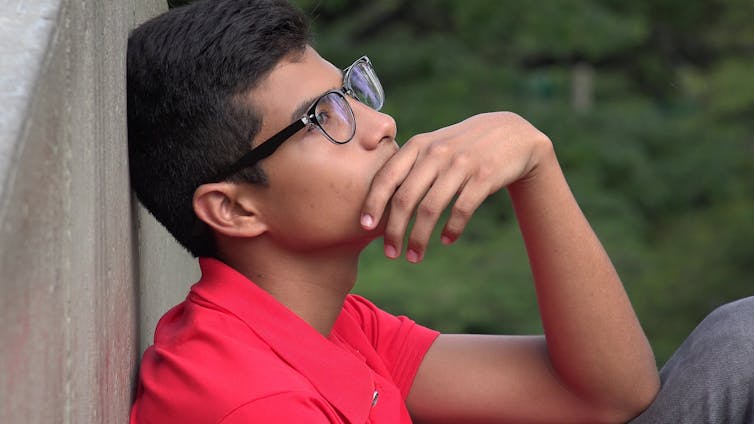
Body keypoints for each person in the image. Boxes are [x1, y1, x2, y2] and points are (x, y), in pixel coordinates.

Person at [127, 1, 753, 423]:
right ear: (232, 209)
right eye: (325, 118)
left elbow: (608, 393)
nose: (381, 125)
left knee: (740, 340)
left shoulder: (331, 327)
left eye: (352, 92)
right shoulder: (249, 397)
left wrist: (535, 163)